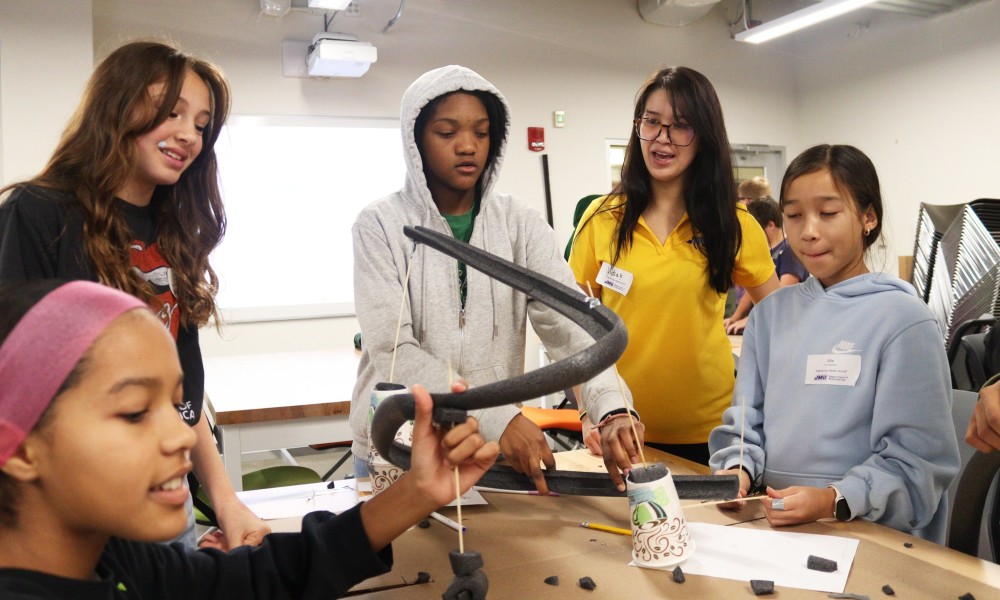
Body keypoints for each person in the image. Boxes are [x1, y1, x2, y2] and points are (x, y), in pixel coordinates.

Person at [0, 279, 499, 599]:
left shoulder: (111, 557)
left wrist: (417, 491)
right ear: (22, 446)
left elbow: (257, 581)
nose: (180, 434)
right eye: (134, 413)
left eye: (176, 406)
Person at [0, 40, 266, 549]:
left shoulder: (173, 230)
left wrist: (226, 502)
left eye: (202, 123)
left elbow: (182, 396)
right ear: (118, 106)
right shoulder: (38, 213)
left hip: (167, 496)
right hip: (75, 508)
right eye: (171, 111)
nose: (189, 134)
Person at [351, 65, 642, 494]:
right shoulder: (380, 225)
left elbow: (572, 330)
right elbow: (394, 352)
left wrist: (611, 408)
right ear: (415, 140)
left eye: (482, 133)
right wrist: (499, 417)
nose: (467, 146)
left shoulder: (519, 224)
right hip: (399, 447)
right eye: (447, 133)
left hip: (486, 451)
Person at [708, 144, 960, 543]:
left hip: (870, 533)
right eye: (793, 215)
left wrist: (831, 499)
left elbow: (918, 465)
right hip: (775, 527)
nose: (808, 230)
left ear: (868, 217)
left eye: (828, 213)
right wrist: (736, 471)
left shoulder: (903, 320)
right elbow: (744, 425)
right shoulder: (770, 316)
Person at [568, 66, 778, 465]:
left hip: (713, 435)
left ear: (704, 137)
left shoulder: (732, 224)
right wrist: (588, 409)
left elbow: (782, 321)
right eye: (652, 122)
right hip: (621, 428)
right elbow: (573, 330)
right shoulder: (601, 217)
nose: (662, 138)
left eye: (680, 126)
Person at [724, 197, 809, 334]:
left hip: (787, 324)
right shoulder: (766, 252)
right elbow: (754, 286)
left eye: (756, 229)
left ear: (770, 225)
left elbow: (782, 293)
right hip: (767, 320)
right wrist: (735, 317)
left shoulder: (789, 250)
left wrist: (750, 320)